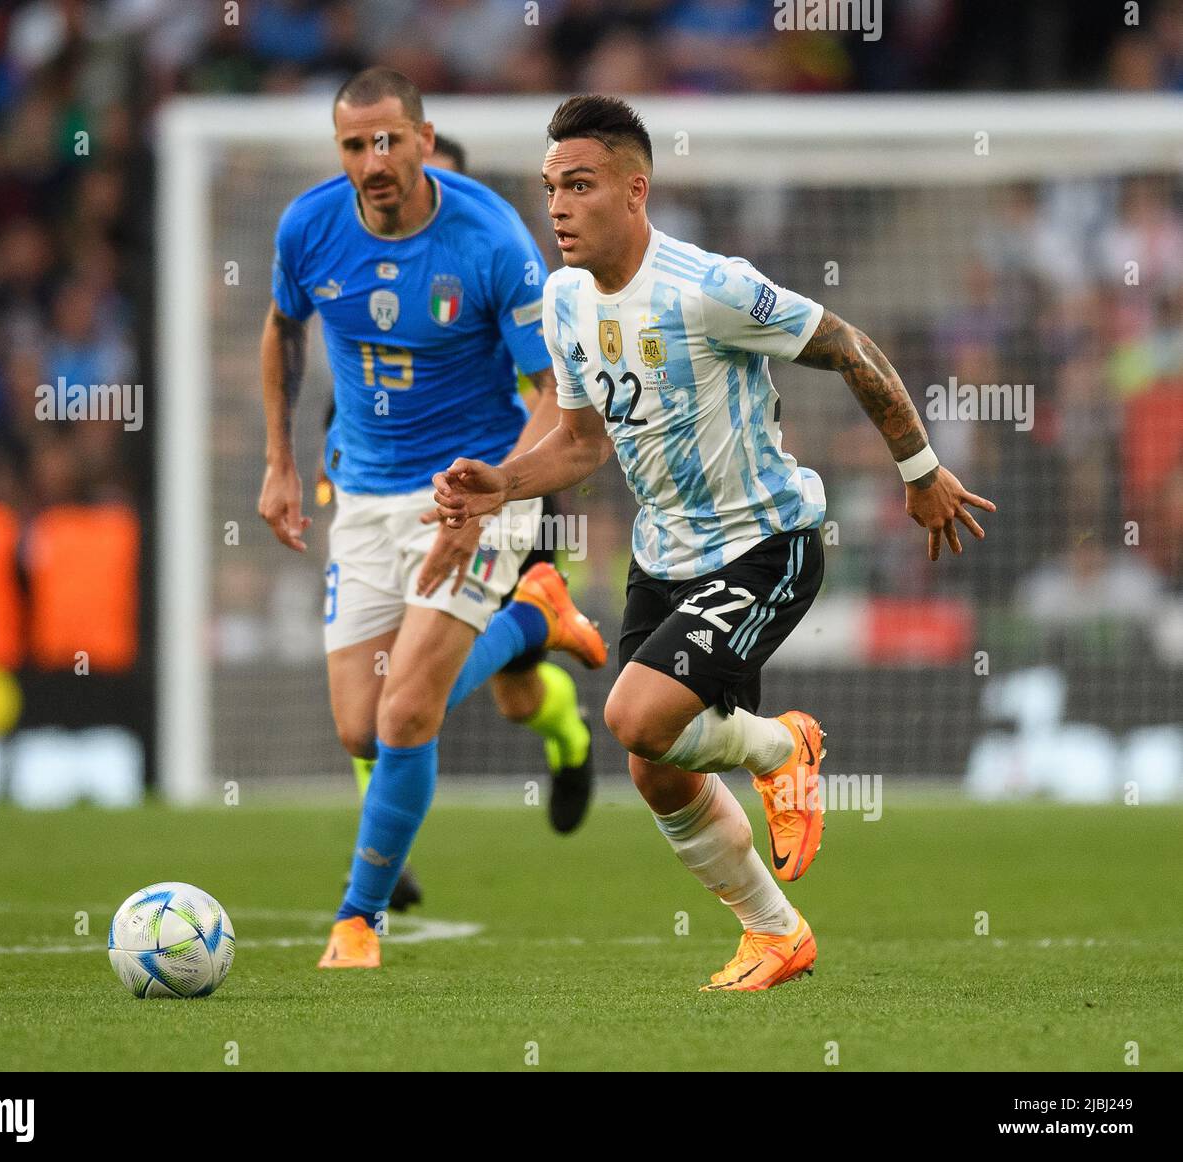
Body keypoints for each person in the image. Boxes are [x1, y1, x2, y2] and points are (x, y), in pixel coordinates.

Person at [434, 95, 996, 992]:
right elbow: (581, 443)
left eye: (579, 186)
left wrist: (920, 470)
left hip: (766, 544)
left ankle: (782, 749)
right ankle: (775, 934)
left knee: (631, 716)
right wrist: (501, 483)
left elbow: (849, 346)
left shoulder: (709, 287)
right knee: (653, 769)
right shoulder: (565, 299)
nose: (559, 207)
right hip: (665, 557)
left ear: (634, 188)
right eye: (549, 189)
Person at [258, 69, 606, 969]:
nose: (372, 162)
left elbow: (555, 396)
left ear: (421, 138)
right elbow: (281, 326)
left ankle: (357, 918)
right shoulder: (309, 226)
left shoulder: (491, 238)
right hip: (366, 499)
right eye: (353, 145)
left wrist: (491, 490)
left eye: (387, 142)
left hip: (472, 490)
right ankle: (537, 618)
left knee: (405, 715)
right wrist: (280, 462)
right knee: (359, 724)